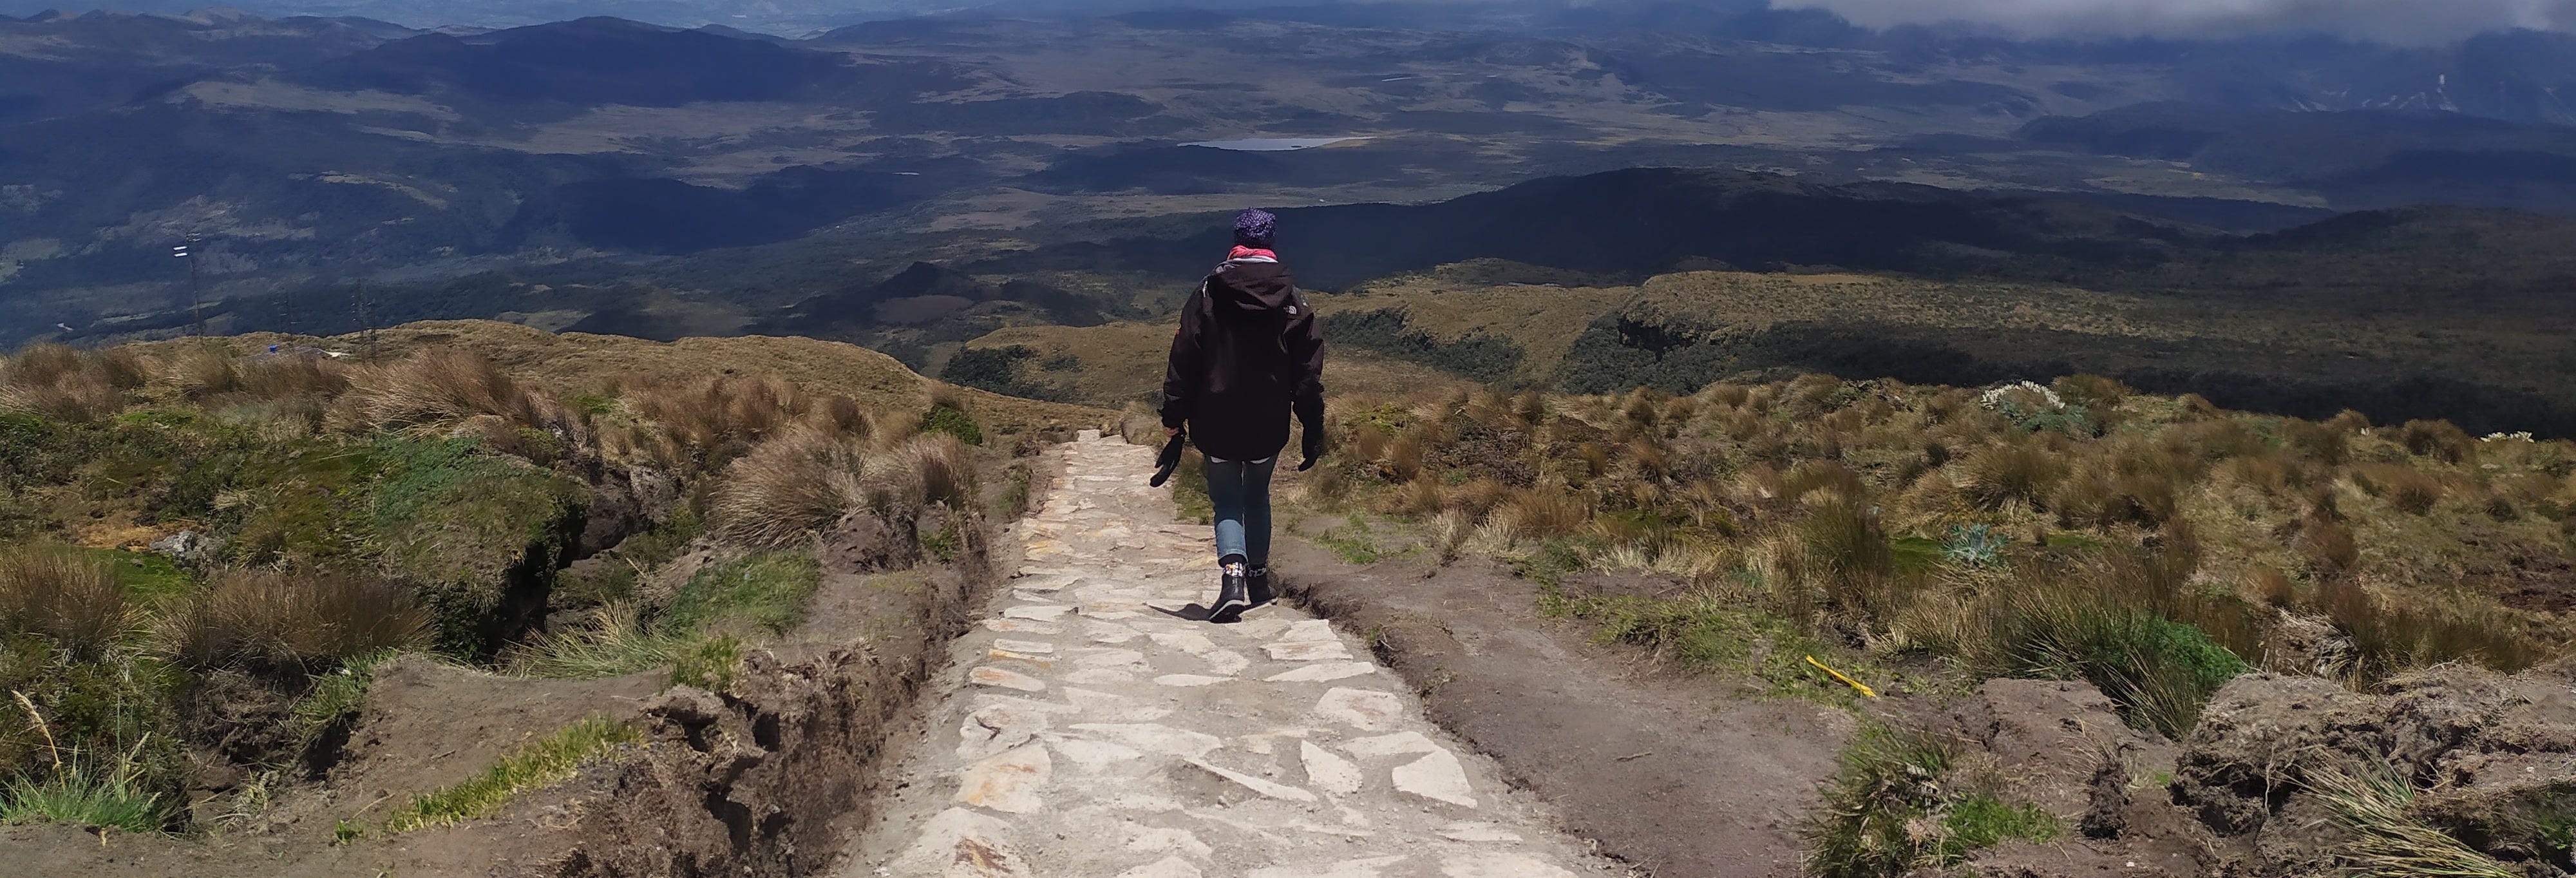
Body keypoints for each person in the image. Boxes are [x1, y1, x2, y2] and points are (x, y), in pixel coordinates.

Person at [1160, 208, 1326, 623]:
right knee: (1257, 495)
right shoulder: (1293, 300)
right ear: (1271, 243)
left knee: (1226, 499)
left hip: (1214, 419)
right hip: (1268, 420)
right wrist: (1312, 425)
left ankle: (1231, 579)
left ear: (1236, 240)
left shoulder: (1208, 295)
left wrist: (1173, 415)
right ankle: (1259, 582)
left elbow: (1184, 359)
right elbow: (1308, 374)